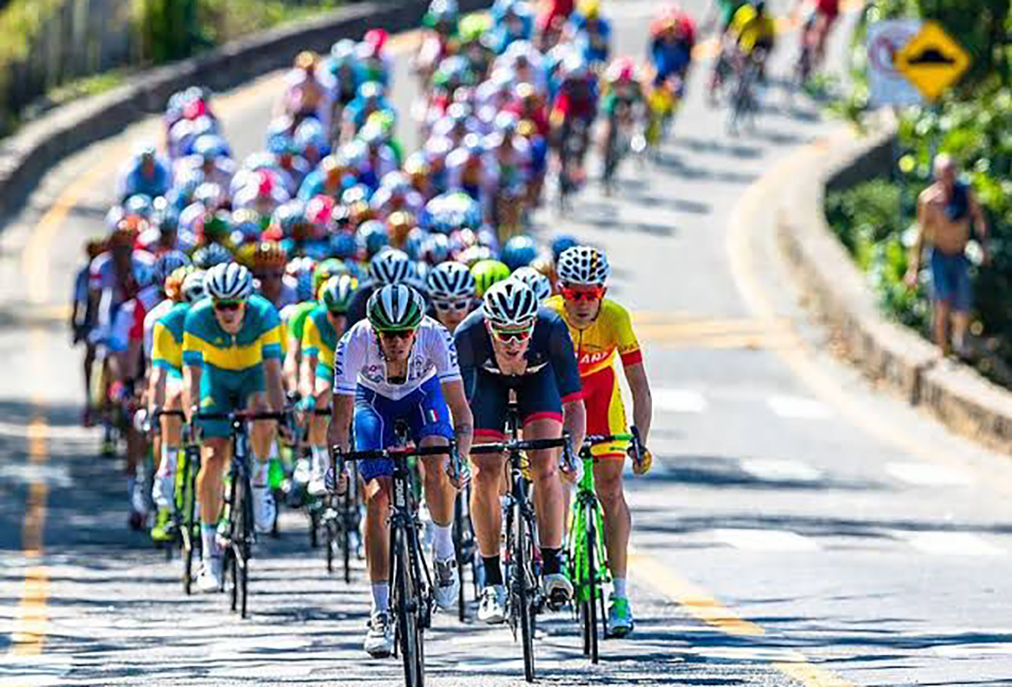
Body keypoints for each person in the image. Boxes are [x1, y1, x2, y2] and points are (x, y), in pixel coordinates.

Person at [327, 284, 474, 657]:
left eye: (404, 334)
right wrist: (335, 464)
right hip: (373, 401)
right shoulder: (354, 340)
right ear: (374, 330)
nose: (396, 342)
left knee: (436, 461)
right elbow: (341, 419)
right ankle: (379, 611)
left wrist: (461, 458)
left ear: (416, 329)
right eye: (388, 335)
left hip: (423, 396)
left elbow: (462, 413)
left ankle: (443, 550)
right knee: (377, 498)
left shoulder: (435, 335)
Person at [453, 279, 586, 623]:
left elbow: (573, 405)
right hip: (487, 387)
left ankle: (553, 566)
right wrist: (459, 455)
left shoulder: (552, 328)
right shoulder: (468, 336)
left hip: (537, 383)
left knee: (546, 466)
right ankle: (492, 581)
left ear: (533, 325)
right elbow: (460, 409)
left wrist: (571, 453)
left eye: (520, 333)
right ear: (488, 325)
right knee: (484, 473)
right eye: (503, 333)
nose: (512, 343)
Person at [544, 245, 653, 636]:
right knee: (551, 478)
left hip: (602, 398)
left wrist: (640, 439)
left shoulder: (616, 318)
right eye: (576, 294)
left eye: (594, 294)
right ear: (562, 290)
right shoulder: (548, 314)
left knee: (610, 489)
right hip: (558, 401)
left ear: (603, 293)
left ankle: (620, 596)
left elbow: (639, 386)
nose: (585, 303)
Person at [182, 262, 286, 592]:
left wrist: (279, 412)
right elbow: (192, 375)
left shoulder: (265, 313)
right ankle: (210, 554)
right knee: (213, 458)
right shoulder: (197, 317)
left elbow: (272, 370)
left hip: (254, 376)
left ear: (245, 301)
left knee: (263, 408)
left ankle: (259, 481)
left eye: (233, 305)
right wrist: (192, 413)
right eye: (220, 305)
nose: (227, 312)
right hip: (216, 380)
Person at [905, 154, 990, 358]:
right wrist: (913, 268)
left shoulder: (965, 193)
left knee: (962, 306)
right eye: (944, 173)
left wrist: (984, 246)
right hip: (939, 256)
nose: (948, 177)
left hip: (960, 255)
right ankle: (942, 351)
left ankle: (958, 341)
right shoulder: (929, 201)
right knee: (942, 303)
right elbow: (921, 234)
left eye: (951, 172)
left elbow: (979, 218)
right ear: (936, 175)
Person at [298, 274, 358, 495]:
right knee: (320, 394)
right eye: (335, 314)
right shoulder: (315, 319)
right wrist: (307, 396)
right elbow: (308, 364)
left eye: (346, 314)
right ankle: (320, 462)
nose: (341, 320)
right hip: (328, 366)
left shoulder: (361, 319)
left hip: (356, 367)